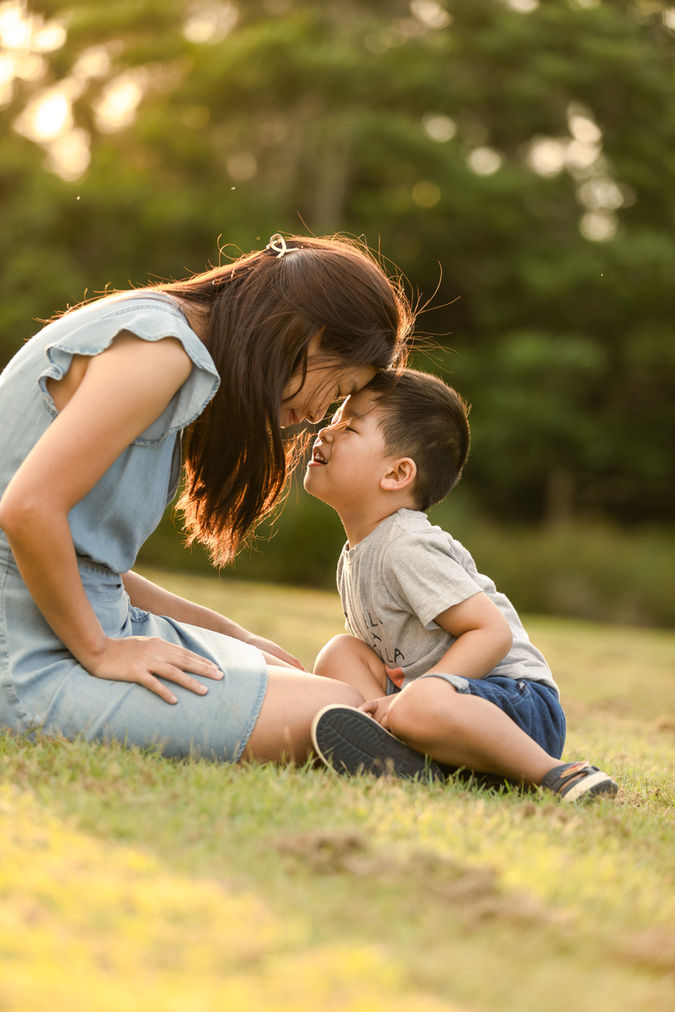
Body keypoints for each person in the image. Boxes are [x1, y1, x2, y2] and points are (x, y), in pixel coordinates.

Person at [0, 233, 414, 764]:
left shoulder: (168, 338)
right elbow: (27, 510)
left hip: (70, 624)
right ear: (312, 336)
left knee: (327, 691)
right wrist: (99, 651)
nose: (317, 416)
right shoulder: (160, 351)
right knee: (336, 707)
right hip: (27, 655)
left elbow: (85, 564)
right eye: (336, 390)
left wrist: (233, 635)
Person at [305, 369, 618, 802]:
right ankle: (401, 755)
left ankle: (555, 773)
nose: (326, 431)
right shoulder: (358, 553)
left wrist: (422, 692)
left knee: (417, 704)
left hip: (516, 706)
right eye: (335, 420)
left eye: (349, 426)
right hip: (435, 708)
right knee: (340, 653)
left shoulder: (406, 545)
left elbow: (491, 631)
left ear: (397, 473)